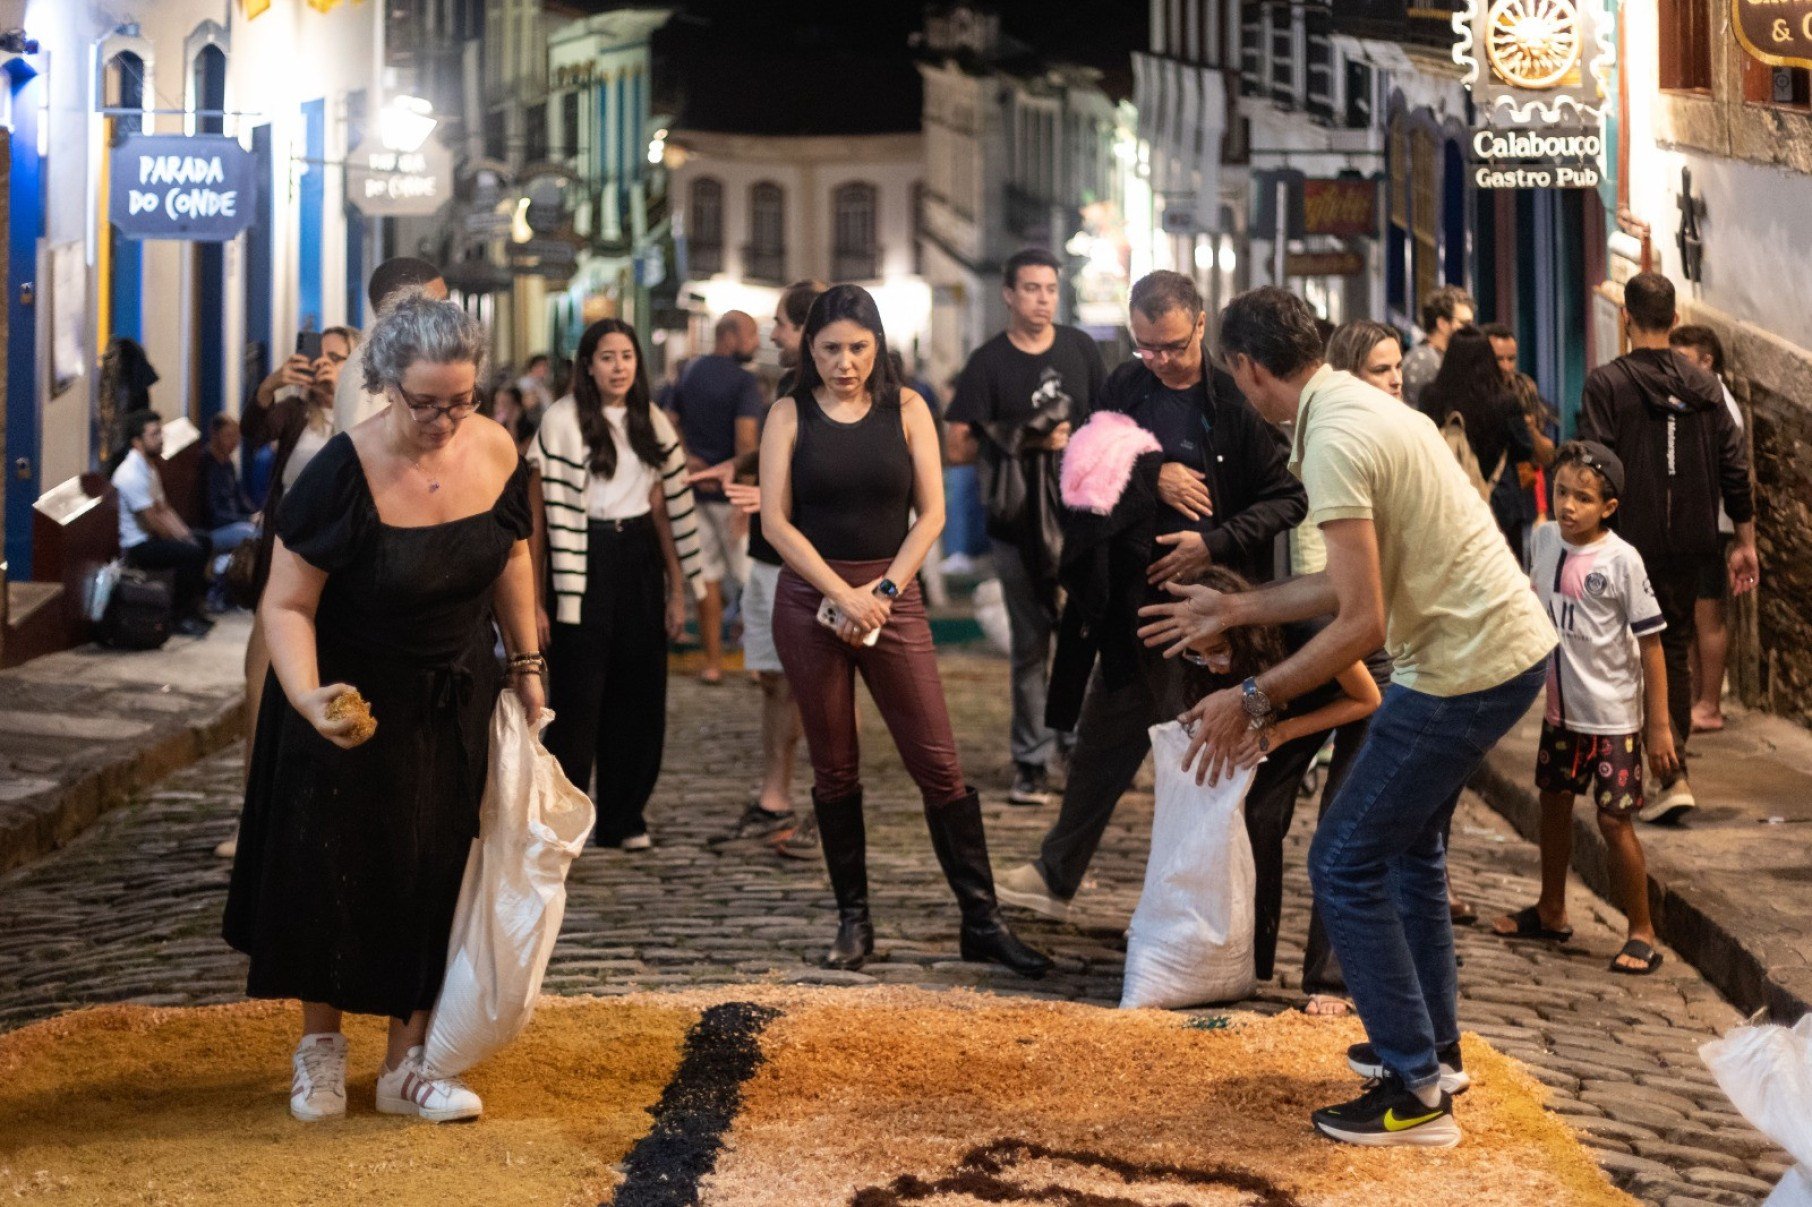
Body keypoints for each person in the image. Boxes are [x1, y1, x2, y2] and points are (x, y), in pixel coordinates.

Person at [1140, 287, 1555, 1148]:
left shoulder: (1332, 437)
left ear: (1250, 370)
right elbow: (1340, 582)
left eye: (1238, 378)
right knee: (1407, 850)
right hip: (1490, 649)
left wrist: (1253, 695)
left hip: (1464, 666)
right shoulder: (1354, 407)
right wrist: (1236, 610)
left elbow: (1360, 623)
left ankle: (1415, 1094)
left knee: (1344, 858)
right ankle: (1433, 1050)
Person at [223, 292, 541, 1125]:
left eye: (461, 401)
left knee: (441, 870)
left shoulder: (500, 449)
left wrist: (529, 663)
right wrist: (305, 695)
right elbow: (285, 604)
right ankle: (319, 1052)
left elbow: (511, 553)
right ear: (386, 385)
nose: (444, 419)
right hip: (348, 698)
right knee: (333, 865)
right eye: (425, 402)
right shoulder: (341, 469)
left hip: (453, 694)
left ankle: (409, 1064)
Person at [994, 270, 1306, 921]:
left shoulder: (1233, 401)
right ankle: (1057, 874)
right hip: (1131, 608)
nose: (1159, 360)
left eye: (1171, 346)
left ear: (1200, 325)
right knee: (1102, 744)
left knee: (1195, 759)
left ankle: (1199, 904)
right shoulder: (1125, 385)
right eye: (1146, 346)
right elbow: (1082, 466)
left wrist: (1214, 542)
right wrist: (1150, 473)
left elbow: (1288, 498)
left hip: (1210, 619)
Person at [759, 283, 1050, 978]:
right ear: (810, 349)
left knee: (939, 762)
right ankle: (854, 921)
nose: (845, 362)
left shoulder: (909, 407)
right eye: (830, 349)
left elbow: (932, 515)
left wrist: (883, 591)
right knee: (834, 766)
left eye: (858, 347)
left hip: (892, 599)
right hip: (812, 602)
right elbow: (775, 522)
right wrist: (841, 593)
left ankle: (981, 920)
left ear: (878, 345)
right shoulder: (787, 413)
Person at [1578, 272, 1757, 825]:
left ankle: (1631, 775)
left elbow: (1598, 467)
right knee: (1672, 647)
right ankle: (1672, 772)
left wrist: (1584, 541)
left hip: (1628, 541)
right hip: (1694, 540)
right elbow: (1735, 464)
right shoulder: (1705, 387)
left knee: (1618, 652)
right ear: (1674, 320)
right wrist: (1744, 541)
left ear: (1626, 318)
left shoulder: (1607, 385)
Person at [1491, 441, 1676, 975]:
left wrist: (1657, 726)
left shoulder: (1622, 560)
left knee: (1614, 821)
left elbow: (1651, 645)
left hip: (1613, 718)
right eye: (1563, 493)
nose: (1569, 506)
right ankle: (1551, 908)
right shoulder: (1545, 542)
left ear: (1609, 508)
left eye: (1584, 499)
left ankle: (1641, 929)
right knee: (1552, 803)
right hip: (1560, 714)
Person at [528, 319, 702, 851]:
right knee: (578, 698)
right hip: (581, 558)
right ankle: (567, 818)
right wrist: (533, 599)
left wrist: (678, 588)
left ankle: (625, 816)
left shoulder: (652, 422)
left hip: (639, 557)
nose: (619, 367)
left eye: (627, 356)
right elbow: (536, 515)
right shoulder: (560, 422)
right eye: (607, 357)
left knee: (642, 692)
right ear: (587, 364)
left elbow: (667, 510)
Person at [1182, 566, 1383, 1018]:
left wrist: (1282, 732)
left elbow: (1366, 700)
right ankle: (1249, 954)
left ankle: (1331, 979)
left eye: (1217, 652)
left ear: (1243, 632)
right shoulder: (1218, 653)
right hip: (1276, 694)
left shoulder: (1301, 625)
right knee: (1254, 809)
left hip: (1363, 689)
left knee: (1341, 829)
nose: (1212, 665)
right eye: (1200, 657)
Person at [944, 248, 1106, 807]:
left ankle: (1078, 747)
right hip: (1015, 524)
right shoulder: (989, 362)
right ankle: (1031, 759)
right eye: (1031, 288)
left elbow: (1108, 421)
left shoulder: (1080, 349)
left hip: (1082, 516)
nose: (1042, 299)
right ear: (1009, 294)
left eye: (1050, 289)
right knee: (1031, 643)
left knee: (1083, 638)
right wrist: (1025, 437)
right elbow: (957, 443)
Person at [217, 326, 360, 860]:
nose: (324, 366)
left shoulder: (365, 415)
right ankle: (252, 819)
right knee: (260, 685)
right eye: (319, 357)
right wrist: (273, 383)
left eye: (337, 359)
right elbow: (256, 428)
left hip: (346, 573)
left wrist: (345, 393)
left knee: (336, 685)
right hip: (286, 565)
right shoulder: (297, 414)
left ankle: (329, 813)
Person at [698, 280, 826, 853]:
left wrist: (770, 499)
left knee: (808, 685)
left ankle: (821, 796)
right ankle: (774, 795)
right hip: (769, 558)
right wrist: (737, 467)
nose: (775, 334)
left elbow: (831, 474)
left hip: (800, 559)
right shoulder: (792, 383)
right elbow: (775, 452)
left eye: (782, 323)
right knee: (774, 681)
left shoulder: (831, 387)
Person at [667, 311, 763, 685]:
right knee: (749, 581)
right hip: (731, 494)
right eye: (752, 335)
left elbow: (668, 420)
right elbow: (747, 440)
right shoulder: (744, 382)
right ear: (732, 336)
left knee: (705, 580)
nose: (756, 343)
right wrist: (746, 498)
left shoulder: (689, 372)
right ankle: (756, 662)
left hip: (694, 491)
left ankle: (713, 663)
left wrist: (685, 455)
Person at [1667, 324, 1746, 734]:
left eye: (1682, 359)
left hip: (1712, 525)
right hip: (1698, 523)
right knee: (1694, 614)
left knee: (1707, 614)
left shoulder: (1721, 407)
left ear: (1706, 360)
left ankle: (1711, 703)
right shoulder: (1700, 400)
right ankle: (1700, 697)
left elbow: (1723, 472)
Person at [112, 410, 214, 637]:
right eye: (154, 434)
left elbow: (164, 509)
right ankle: (179, 617)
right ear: (137, 441)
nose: (160, 439)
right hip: (137, 545)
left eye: (160, 433)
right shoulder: (130, 473)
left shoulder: (149, 468)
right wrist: (183, 542)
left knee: (202, 541)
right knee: (190, 553)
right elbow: (151, 520)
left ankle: (192, 610)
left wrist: (186, 535)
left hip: (152, 537)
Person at [333, 257, 447, 433]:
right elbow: (365, 445)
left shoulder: (401, 355)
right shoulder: (369, 363)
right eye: (437, 303)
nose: (446, 314)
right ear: (402, 304)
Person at [1479, 323, 1558, 565]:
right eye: (1498, 359)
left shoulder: (1523, 388)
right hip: (1481, 499)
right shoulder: (1473, 394)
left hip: (1516, 502)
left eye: (1511, 359)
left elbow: (1541, 459)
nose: (1506, 367)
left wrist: (1539, 509)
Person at [201, 415, 259, 590]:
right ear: (214, 434)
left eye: (237, 436)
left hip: (234, 522)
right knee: (252, 535)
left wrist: (258, 514)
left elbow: (241, 498)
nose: (234, 441)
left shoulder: (228, 464)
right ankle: (229, 587)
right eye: (229, 435)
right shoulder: (206, 464)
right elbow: (212, 511)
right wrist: (246, 519)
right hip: (215, 527)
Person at [1400, 285, 1475, 410]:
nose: (1471, 329)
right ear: (1442, 324)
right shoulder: (1425, 359)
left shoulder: (1440, 357)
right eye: (1464, 323)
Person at [516, 353, 554, 418]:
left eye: (547, 366)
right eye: (543, 365)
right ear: (534, 367)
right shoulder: (526, 382)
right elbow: (528, 403)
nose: (546, 369)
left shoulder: (541, 384)